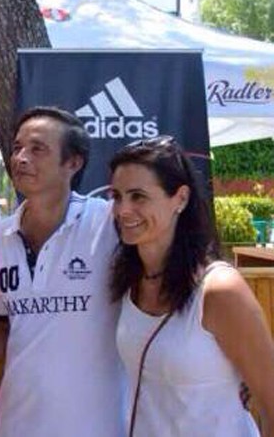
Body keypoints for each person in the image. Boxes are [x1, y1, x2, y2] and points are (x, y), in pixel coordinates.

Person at [0, 107, 126, 436]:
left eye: (37, 149)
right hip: (16, 422)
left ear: (73, 163)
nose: (21, 158)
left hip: (99, 425)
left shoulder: (109, 224)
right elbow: (4, 326)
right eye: (17, 147)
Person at [109, 136, 274, 436]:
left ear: (180, 199)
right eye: (117, 196)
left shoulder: (219, 290)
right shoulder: (127, 282)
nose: (123, 210)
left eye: (138, 196)